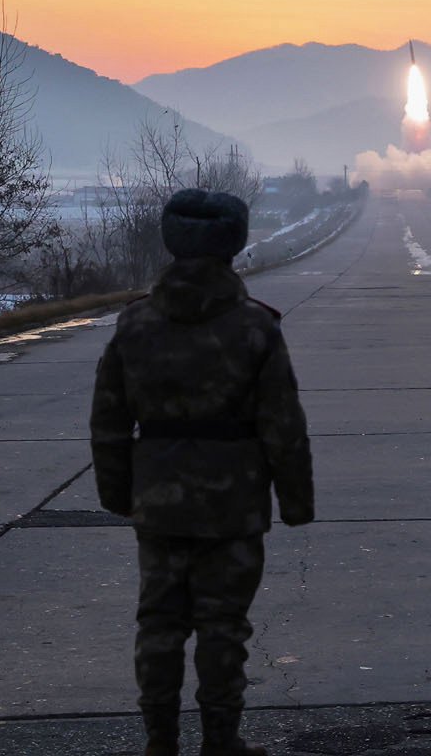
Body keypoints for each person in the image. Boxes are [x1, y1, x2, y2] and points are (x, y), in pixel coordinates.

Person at [90, 189, 314, 756]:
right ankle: (221, 740)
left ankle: (160, 741)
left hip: (158, 500)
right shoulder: (255, 328)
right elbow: (282, 425)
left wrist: (120, 494)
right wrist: (295, 502)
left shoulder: (135, 324)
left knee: (159, 625)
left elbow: (108, 420)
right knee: (223, 627)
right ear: (234, 245)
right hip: (233, 504)